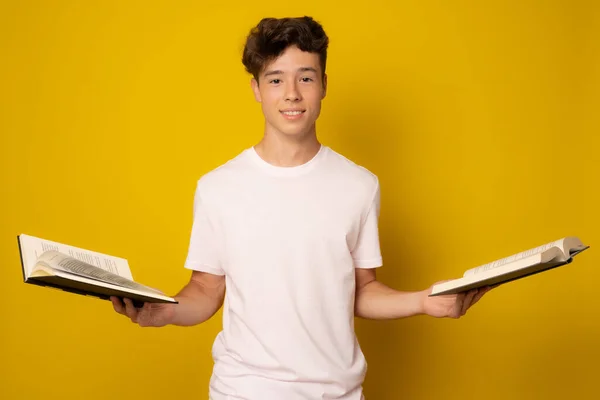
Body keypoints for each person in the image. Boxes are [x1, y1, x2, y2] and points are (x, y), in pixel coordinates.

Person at [111, 15, 492, 400]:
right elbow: (206, 289)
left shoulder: (359, 185)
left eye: (305, 77)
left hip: (338, 393)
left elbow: (359, 290)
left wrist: (423, 301)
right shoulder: (217, 188)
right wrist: (166, 311)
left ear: (324, 85)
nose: (291, 93)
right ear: (256, 89)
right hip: (243, 391)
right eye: (276, 79)